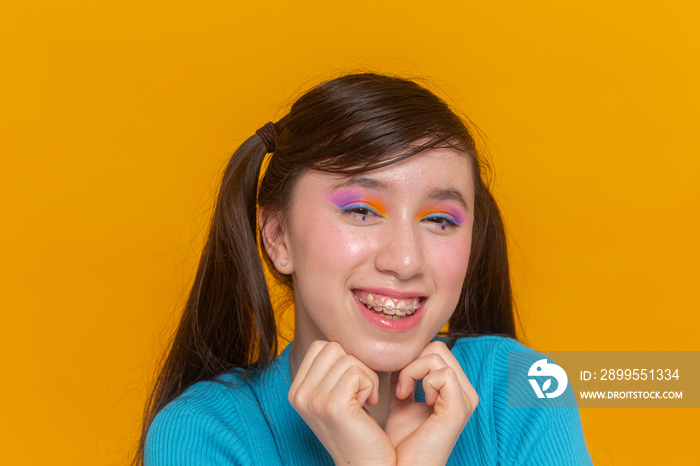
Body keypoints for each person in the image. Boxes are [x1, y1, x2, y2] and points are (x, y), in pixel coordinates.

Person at [136, 73, 593, 465]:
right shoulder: (205, 436)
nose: (406, 261)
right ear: (278, 237)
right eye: (361, 211)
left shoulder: (523, 392)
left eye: (439, 220)